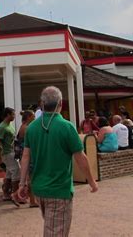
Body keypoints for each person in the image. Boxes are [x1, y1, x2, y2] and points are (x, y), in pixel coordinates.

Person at [18, 86, 98, 237]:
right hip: (59, 190)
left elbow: (25, 156)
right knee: (56, 232)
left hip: (40, 189)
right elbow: (80, 157)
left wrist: (22, 184)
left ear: (42, 103)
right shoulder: (67, 127)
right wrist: (92, 181)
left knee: (52, 228)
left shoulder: (32, 127)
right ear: (61, 103)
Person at [13, 110, 38, 207]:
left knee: (29, 179)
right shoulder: (27, 128)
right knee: (31, 179)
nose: (35, 118)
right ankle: (31, 200)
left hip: (24, 154)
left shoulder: (24, 127)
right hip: (27, 155)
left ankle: (18, 196)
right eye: (33, 117)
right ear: (29, 117)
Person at [0, 107, 21, 203]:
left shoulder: (9, 125)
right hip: (7, 153)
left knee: (9, 174)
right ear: (8, 115)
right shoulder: (2, 127)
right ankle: (15, 195)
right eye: (13, 114)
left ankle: (6, 194)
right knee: (16, 171)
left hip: (11, 152)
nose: (14, 116)